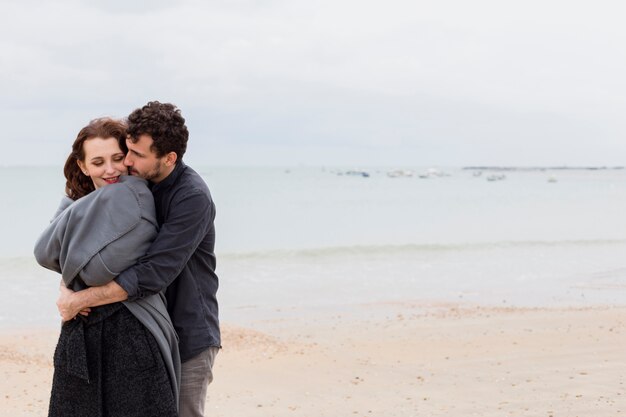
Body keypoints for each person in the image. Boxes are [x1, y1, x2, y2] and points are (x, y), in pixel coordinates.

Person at [55, 102, 221, 417]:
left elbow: (151, 274)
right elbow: (88, 250)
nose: (127, 162)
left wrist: (80, 300)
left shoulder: (192, 197)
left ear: (169, 158)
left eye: (136, 155)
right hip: (142, 334)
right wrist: (66, 287)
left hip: (187, 331)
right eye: (126, 151)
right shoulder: (135, 186)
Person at [34, 118, 180, 417]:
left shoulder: (136, 195)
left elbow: (95, 271)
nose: (111, 170)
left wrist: (72, 284)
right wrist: (68, 283)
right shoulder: (77, 202)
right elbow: (45, 254)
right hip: (81, 333)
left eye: (117, 158)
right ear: (83, 166)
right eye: (98, 162)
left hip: (132, 330)